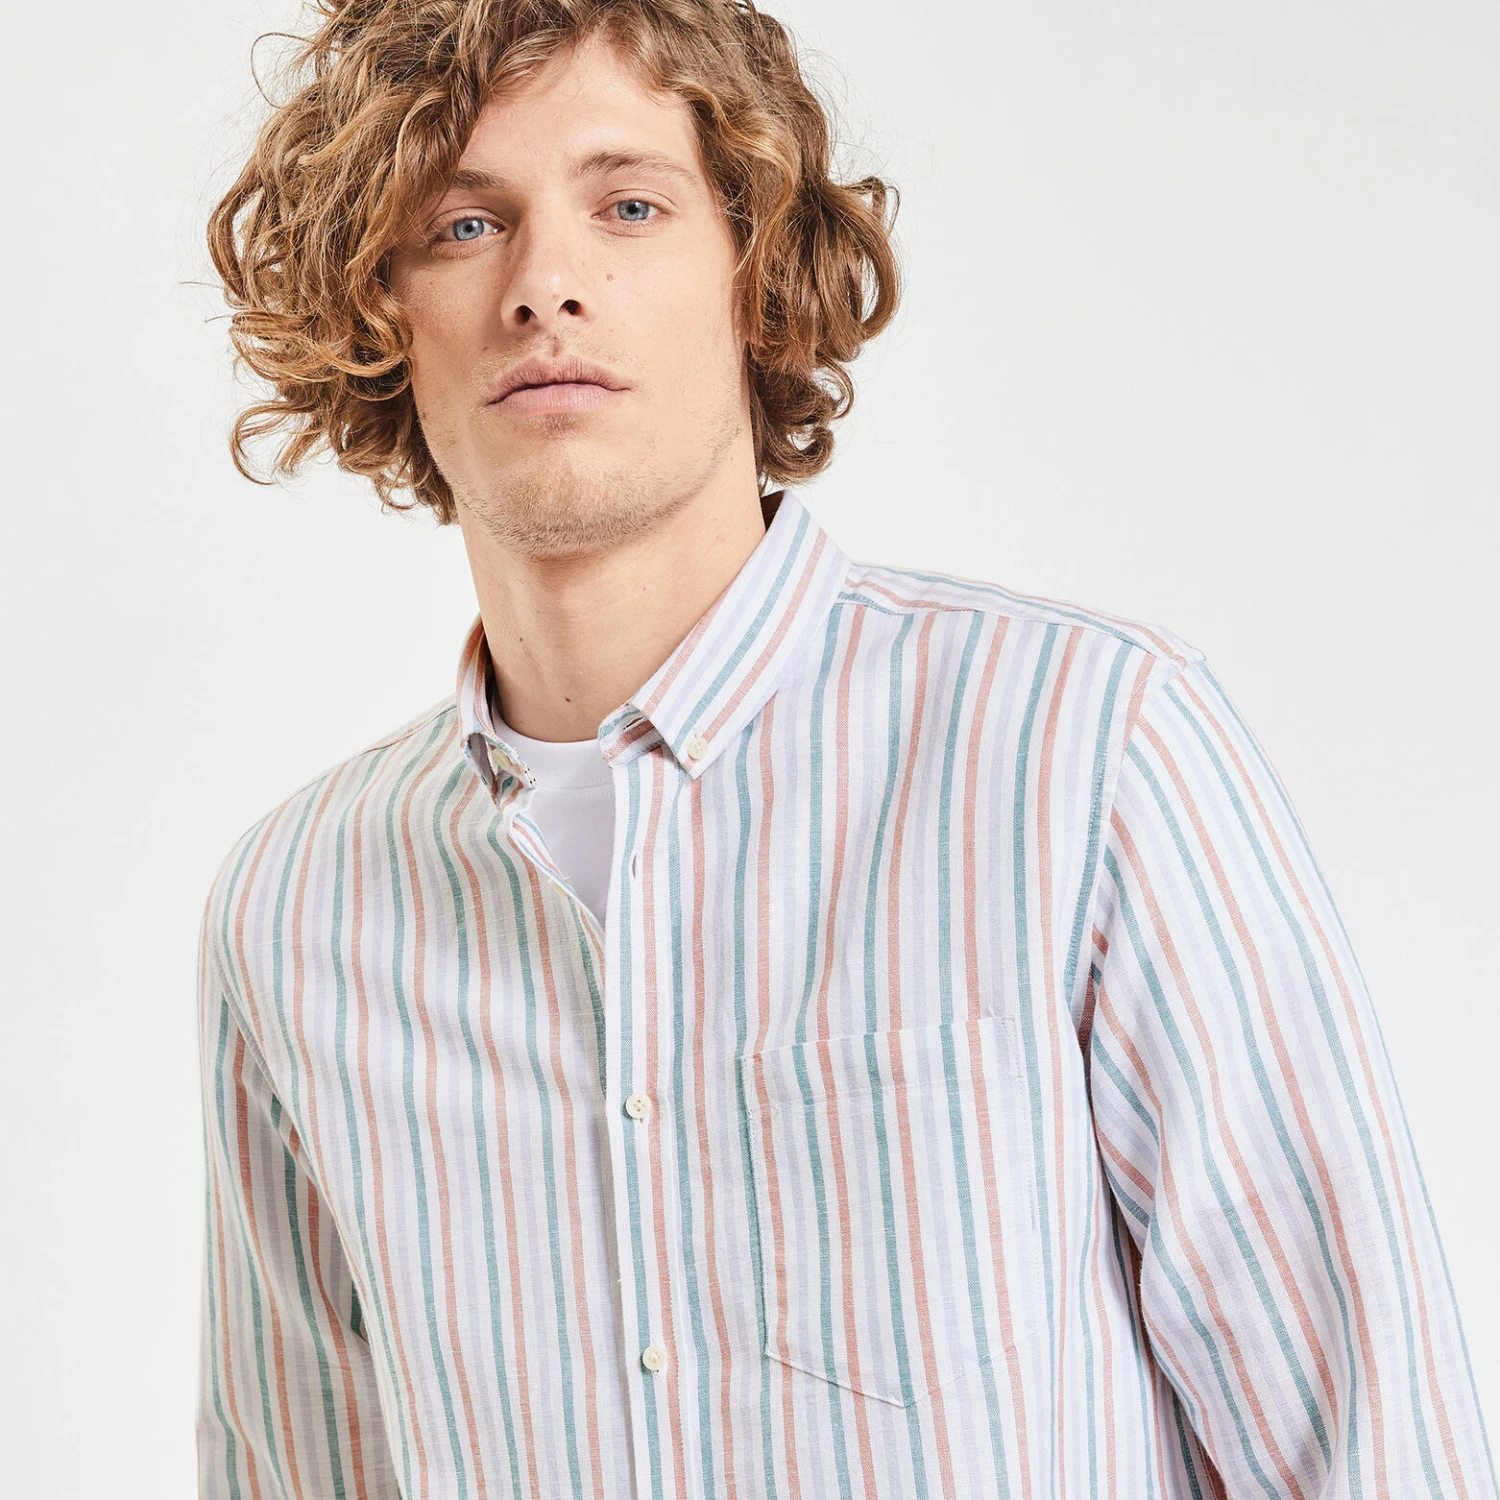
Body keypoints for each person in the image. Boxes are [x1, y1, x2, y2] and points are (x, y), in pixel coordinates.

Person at [195, 2, 1495, 1496]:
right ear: (376, 314)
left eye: (629, 206)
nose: (546, 282)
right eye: (463, 224)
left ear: (756, 279)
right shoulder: (295, 909)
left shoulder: (1080, 750)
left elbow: (1365, 1444)